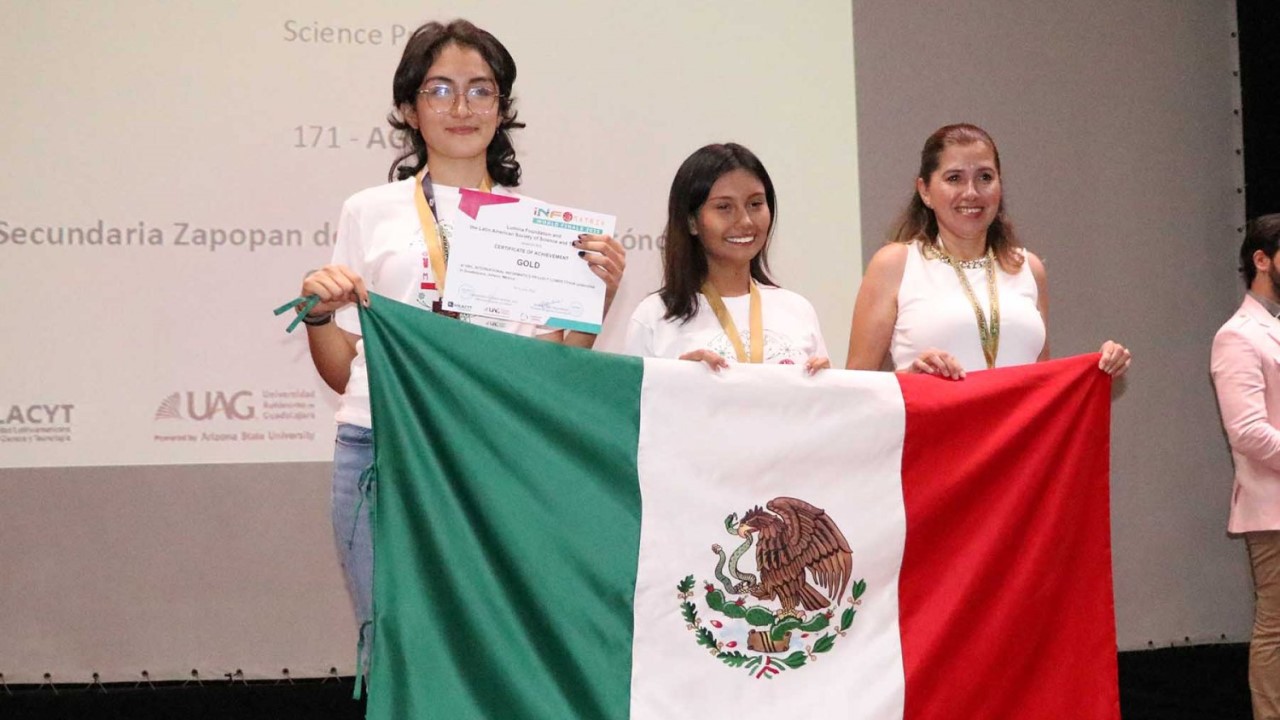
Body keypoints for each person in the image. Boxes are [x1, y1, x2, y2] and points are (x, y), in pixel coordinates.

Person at [292, 19, 626, 664]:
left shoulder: (538, 227)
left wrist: (595, 302)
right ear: (408, 109)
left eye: (480, 90)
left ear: (502, 108)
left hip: (491, 453)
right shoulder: (369, 210)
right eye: (440, 89)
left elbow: (545, 375)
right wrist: (318, 317)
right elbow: (344, 372)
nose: (462, 107)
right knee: (395, 651)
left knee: (490, 652)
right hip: (382, 448)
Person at [845, 123, 1130, 378]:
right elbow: (855, 388)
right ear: (925, 191)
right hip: (932, 424)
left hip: (1018, 426)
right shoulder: (896, 264)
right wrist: (910, 379)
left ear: (999, 185)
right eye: (954, 178)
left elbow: (1042, 387)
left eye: (984, 177)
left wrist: (1098, 368)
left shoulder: (1028, 268)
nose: (971, 192)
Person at [624, 143, 828, 372]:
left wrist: (825, 384)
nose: (746, 221)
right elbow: (631, 395)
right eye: (724, 207)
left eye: (755, 204)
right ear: (692, 222)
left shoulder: (798, 310)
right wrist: (680, 382)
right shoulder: (654, 316)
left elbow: (825, 395)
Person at [1210, 213, 1280, 719]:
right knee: (1276, 626)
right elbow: (1249, 433)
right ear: (1262, 260)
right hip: (1273, 509)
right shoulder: (1237, 335)